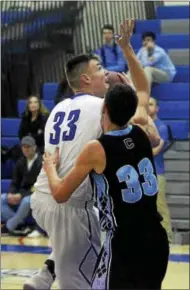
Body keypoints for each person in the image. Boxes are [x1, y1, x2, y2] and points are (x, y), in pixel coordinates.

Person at [24, 19, 160, 290]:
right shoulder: (102, 108)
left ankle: (46, 274)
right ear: (85, 79)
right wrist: (130, 86)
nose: (107, 73)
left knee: (101, 226)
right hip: (69, 205)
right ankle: (56, 273)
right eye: (100, 69)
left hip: (40, 199)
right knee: (87, 281)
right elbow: (147, 114)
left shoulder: (59, 108)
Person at [43, 78, 169, 288]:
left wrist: (49, 168)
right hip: (156, 239)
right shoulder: (142, 134)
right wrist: (131, 90)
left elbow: (60, 194)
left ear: (105, 108)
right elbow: (151, 130)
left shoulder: (97, 148)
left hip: (125, 244)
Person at [1, 136, 42, 236]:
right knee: (1, 198)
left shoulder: (41, 163)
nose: (26, 149)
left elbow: (38, 186)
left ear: (35, 147)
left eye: (28, 146)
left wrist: (21, 195)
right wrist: (12, 193)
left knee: (26, 201)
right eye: (23, 146)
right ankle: (20, 225)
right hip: (22, 193)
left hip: (37, 193)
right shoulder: (20, 162)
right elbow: (15, 182)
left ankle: (8, 227)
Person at [149, 97, 173, 243]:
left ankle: (168, 238)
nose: (148, 107)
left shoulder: (161, 127)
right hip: (145, 174)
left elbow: (156, 150)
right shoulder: (144, 126)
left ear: (157, 108)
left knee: (160, 206)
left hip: (157, 173)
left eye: (151, 104)